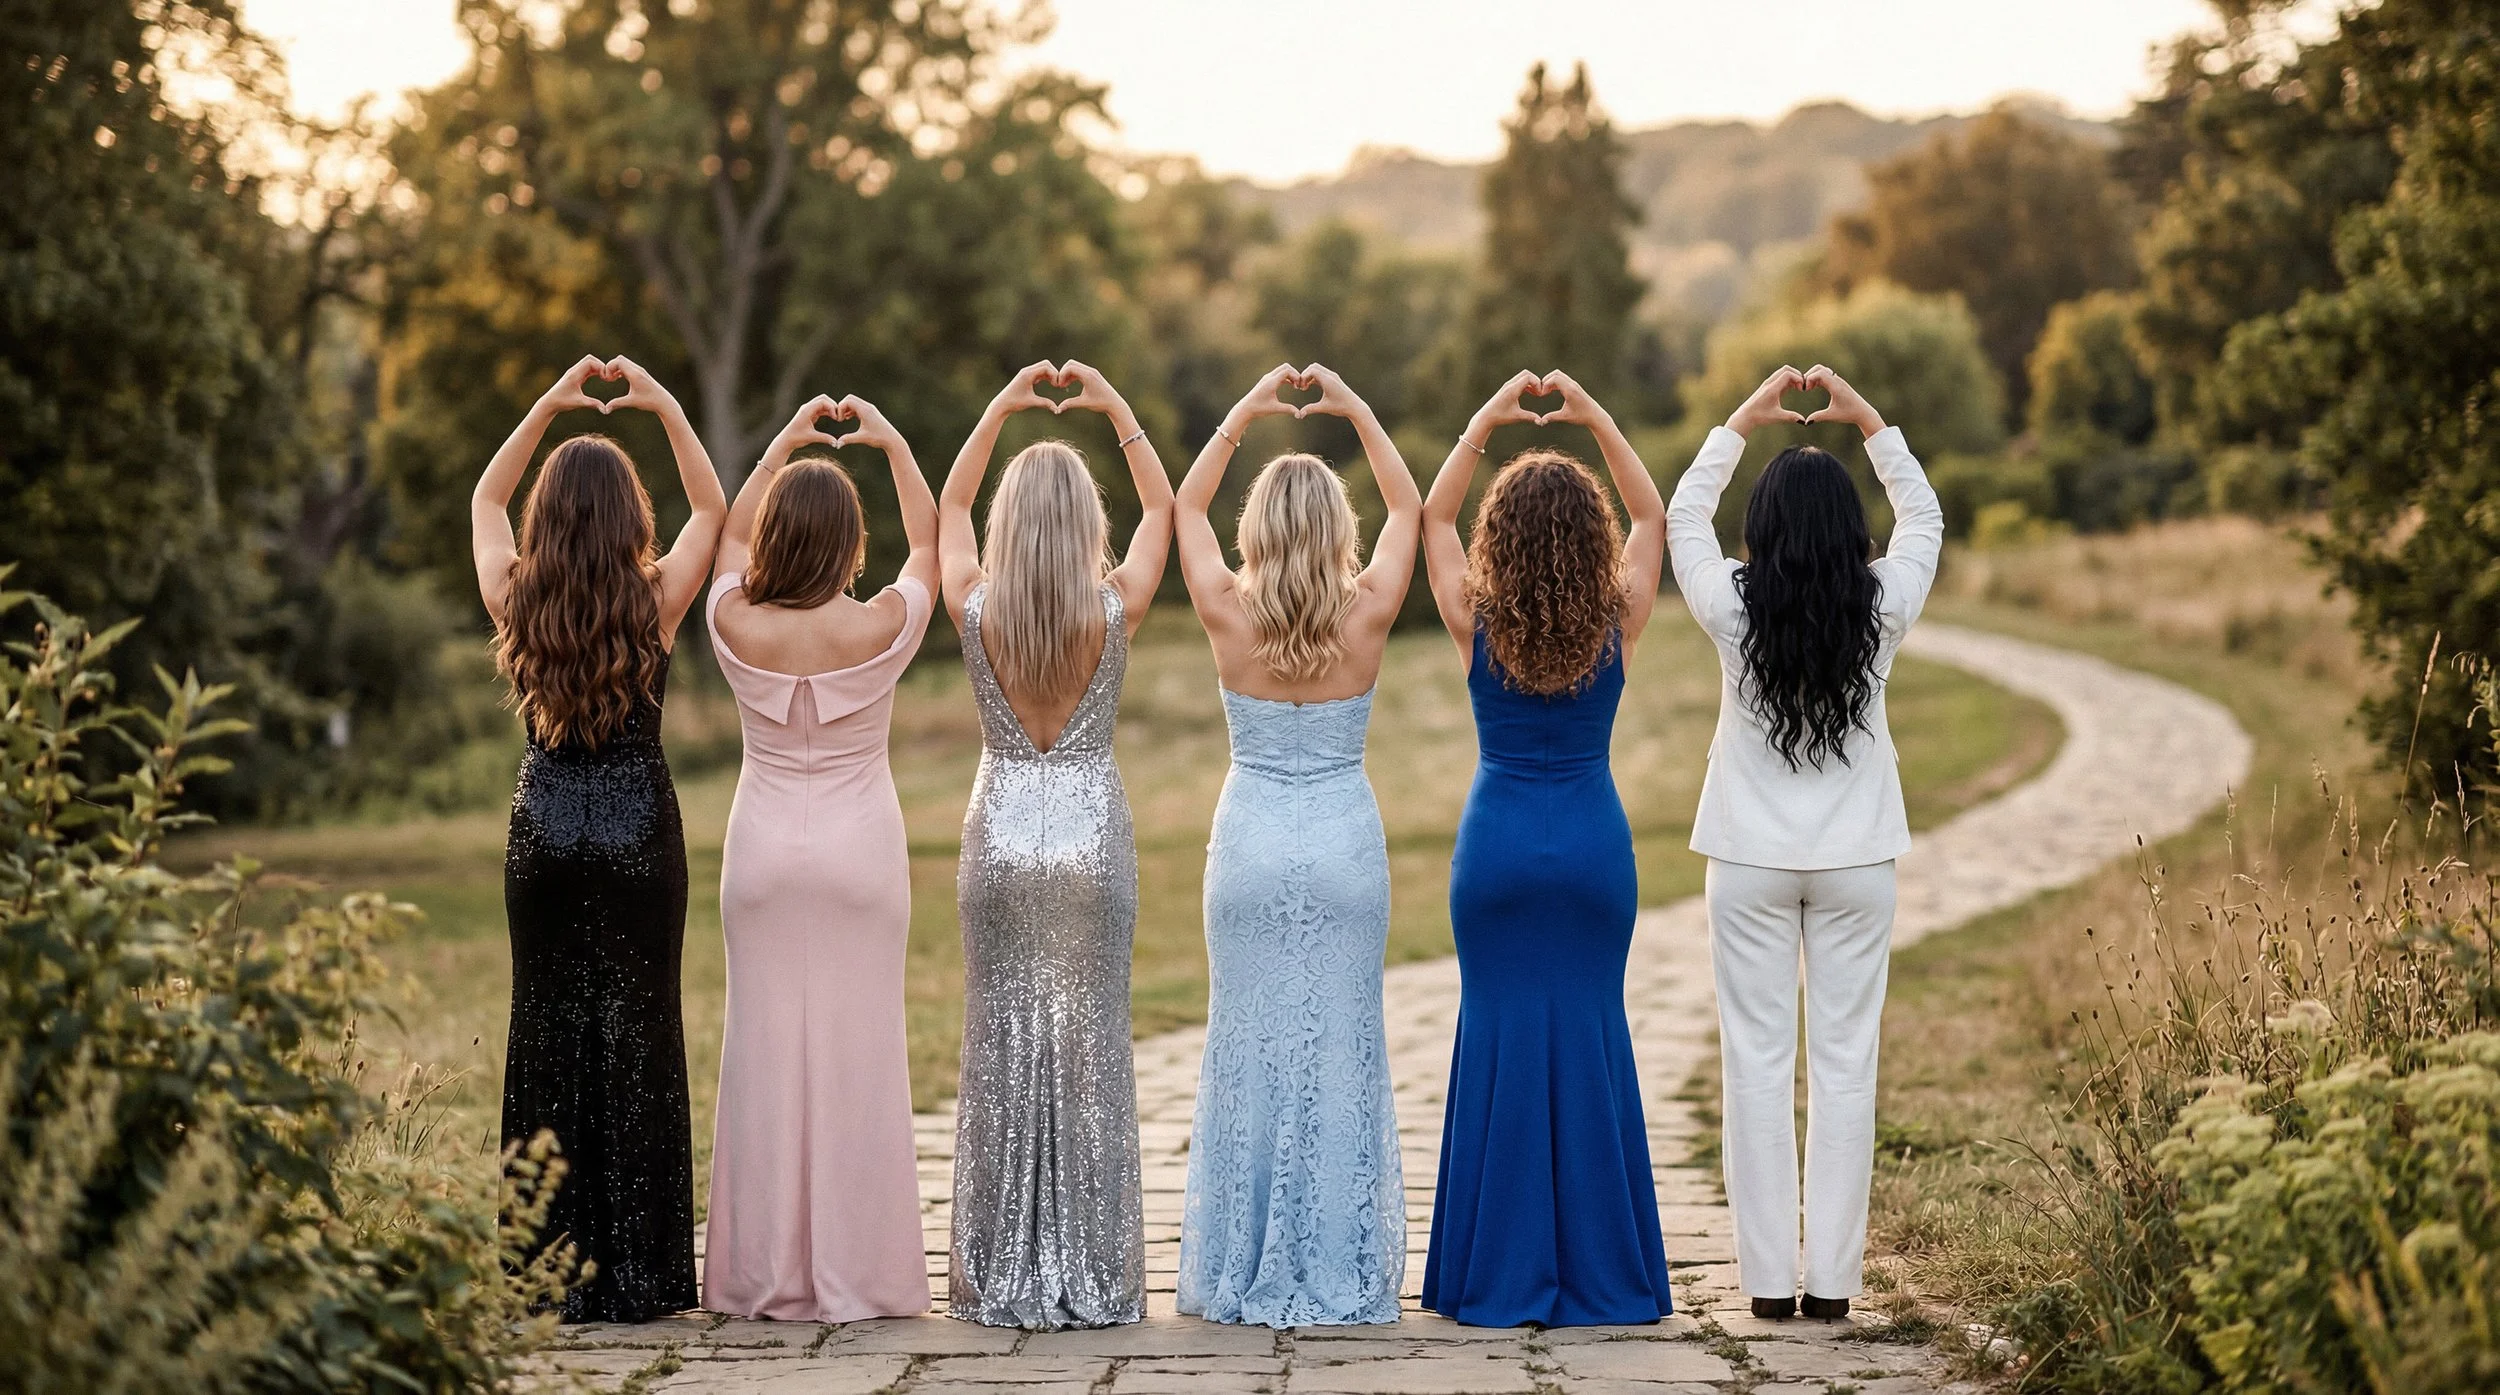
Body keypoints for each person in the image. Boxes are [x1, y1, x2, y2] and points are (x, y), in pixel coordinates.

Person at [1667, 364, 1943, 1322]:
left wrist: (1741, 421)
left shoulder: (1731, 605)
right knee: (1845, 1066)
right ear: (1851, 530)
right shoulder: (1885, 602)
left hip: (1747, 857)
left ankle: (1765, 1284)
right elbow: (1924, 515)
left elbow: (1683, 514)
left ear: (1764, 527)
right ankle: (1832, 1285)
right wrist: (1870, 420)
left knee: (1753, 1065)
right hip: (1858, 859)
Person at [471, 354, 727, 1323]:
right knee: (638, 1031)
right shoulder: (654, 600)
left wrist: (546, 404)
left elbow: (484, 498)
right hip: (637, 837)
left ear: (546, 518)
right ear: (629, 518)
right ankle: (640, 1274)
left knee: (544, 1031)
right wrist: (661, 403)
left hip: (541, 831)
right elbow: (714, 508)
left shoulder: (514, 593)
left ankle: (545, 1271)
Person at [1417, 369, 1674, 1328]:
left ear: (1502, 539)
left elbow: (1431, 517)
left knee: (1497, 1038)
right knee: (1592, 1036)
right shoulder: (1618, 621)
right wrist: (1595, 415)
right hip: (1594, 849)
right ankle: (1603, 1270)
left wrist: (1487, 417)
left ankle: (1495, 1270)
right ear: (1591, 539)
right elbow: (1651, 516)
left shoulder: (1475, 621)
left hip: (1497, 851)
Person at [1169, 363, 1422, 1327]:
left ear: (1259, 532)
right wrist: (1355, 408)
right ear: (1338, 532)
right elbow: (1412, 506)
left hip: (1250, 842)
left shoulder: (1226, 610)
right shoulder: (1369, 609)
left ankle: (1244, 1258)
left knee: (1248, 1049)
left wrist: (1242, 411)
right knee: (1341, 1048)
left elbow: (1185, 505)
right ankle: (1336, 1259)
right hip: (1345, 842)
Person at [937, 359, 1174, 1329]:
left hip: (998, 834)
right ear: (1084, 525)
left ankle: (997, 1266)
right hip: (1089, 840)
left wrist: (999, 406)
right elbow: (1163, 509)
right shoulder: (1113, 610)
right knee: (1089, 1049)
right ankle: (1092, 1269)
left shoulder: (974, 607)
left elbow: (950, 505)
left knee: (999, 1043)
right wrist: (1115, 405)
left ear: (1008, 524)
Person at [699, 393, 939, 1323]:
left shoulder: (734, 621)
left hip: (761, 852)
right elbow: (931, 541)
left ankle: (760, 1275)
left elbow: (726, 538)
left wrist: (786, 442)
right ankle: (860, 1273)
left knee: (762, 1055)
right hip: (860, 856)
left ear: (774, 536)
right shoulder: (881, 625)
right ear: (849, 544)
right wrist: (891, 441)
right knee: (861, 1055)